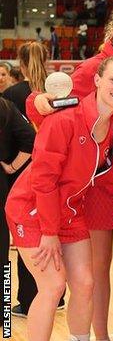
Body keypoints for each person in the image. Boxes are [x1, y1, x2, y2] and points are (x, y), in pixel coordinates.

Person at [27, 0, 113, 341]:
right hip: (98, 182)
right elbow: (48, 103)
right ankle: (101, 336)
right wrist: (36, 102)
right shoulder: (95, 68)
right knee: (97, 270)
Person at [4, 56, 113, 341]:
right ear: (97, 81)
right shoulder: (65, 118)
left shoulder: (112, 128)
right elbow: (43, 179)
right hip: (32, 208)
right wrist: (49, 232)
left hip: (70, 211)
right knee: (52, 286)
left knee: (86, 284)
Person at [2, 43, 68, 319]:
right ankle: (42, 301)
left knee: (23, 252)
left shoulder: (11, 96)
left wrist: (12, 166)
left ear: (20, 64)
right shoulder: (57, 94)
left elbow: (29, 140)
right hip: (45, 178)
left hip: (24, 184)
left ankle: (17, 306)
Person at [0, 96, 35, 268]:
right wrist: (12, 167)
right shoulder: (5, 106)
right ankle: (4, 295)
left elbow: (30, 140)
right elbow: (31, 139)